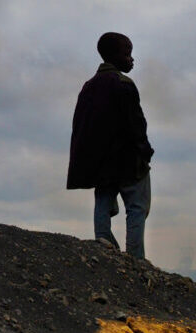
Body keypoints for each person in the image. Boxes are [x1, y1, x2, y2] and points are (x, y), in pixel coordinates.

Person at [67, 32, 154, 259]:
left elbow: (80, 126)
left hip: (101, 163)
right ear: (115, 56)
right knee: (137, 207)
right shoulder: (124, 84)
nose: (132, 59)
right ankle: (135, 258)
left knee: (103, 200)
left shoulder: (88, 86)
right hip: (129, 161)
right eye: (128, 54)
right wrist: (146, 152)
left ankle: (104, 244)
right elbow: (136, 124)